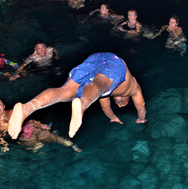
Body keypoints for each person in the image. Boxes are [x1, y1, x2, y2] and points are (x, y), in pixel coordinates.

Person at [8, 52, 147, 140]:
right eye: (122, 102)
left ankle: (26, 108)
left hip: (95, 58)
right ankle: (82, 104)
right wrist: (141, 119)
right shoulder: (134, 89)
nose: (120, 104)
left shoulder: (104, 96)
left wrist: (113, 118)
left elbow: (106, 110)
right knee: (100, 85)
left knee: (66, 91)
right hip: (115, 63)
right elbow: (141, 108)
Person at [0, 98, 80, 152]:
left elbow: (28, 119)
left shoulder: (13, 111)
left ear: (4, 106)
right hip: (23, 136)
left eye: (0, 105)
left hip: (30, 127)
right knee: (38, 147)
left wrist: (41, 125)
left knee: (52, 137)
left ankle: (72, 146)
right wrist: (4, 145)